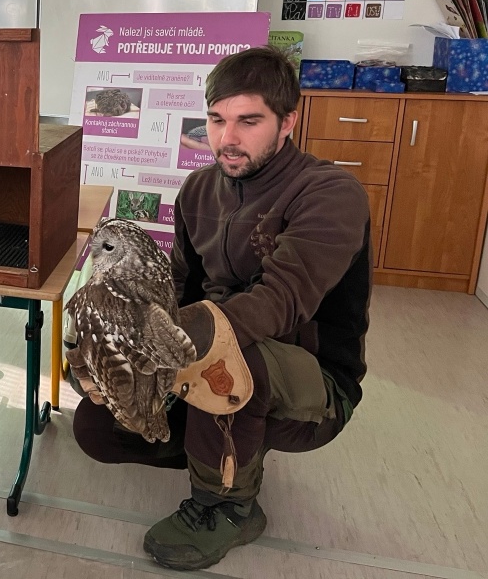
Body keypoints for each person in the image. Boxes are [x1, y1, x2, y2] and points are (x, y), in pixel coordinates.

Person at [71, 46, 371, 571]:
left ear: (287, 122)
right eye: (216, 119)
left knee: (228, 361)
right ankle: (214, 446)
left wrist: (158, 348)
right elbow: (176, 290)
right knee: (98, 428)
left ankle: (227, 508)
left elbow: (280, 301)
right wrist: (109, 351)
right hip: (209, 353)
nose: (227, 137)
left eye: (248, 121)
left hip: (314, 379)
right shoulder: (197, 190)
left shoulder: (330, 193)